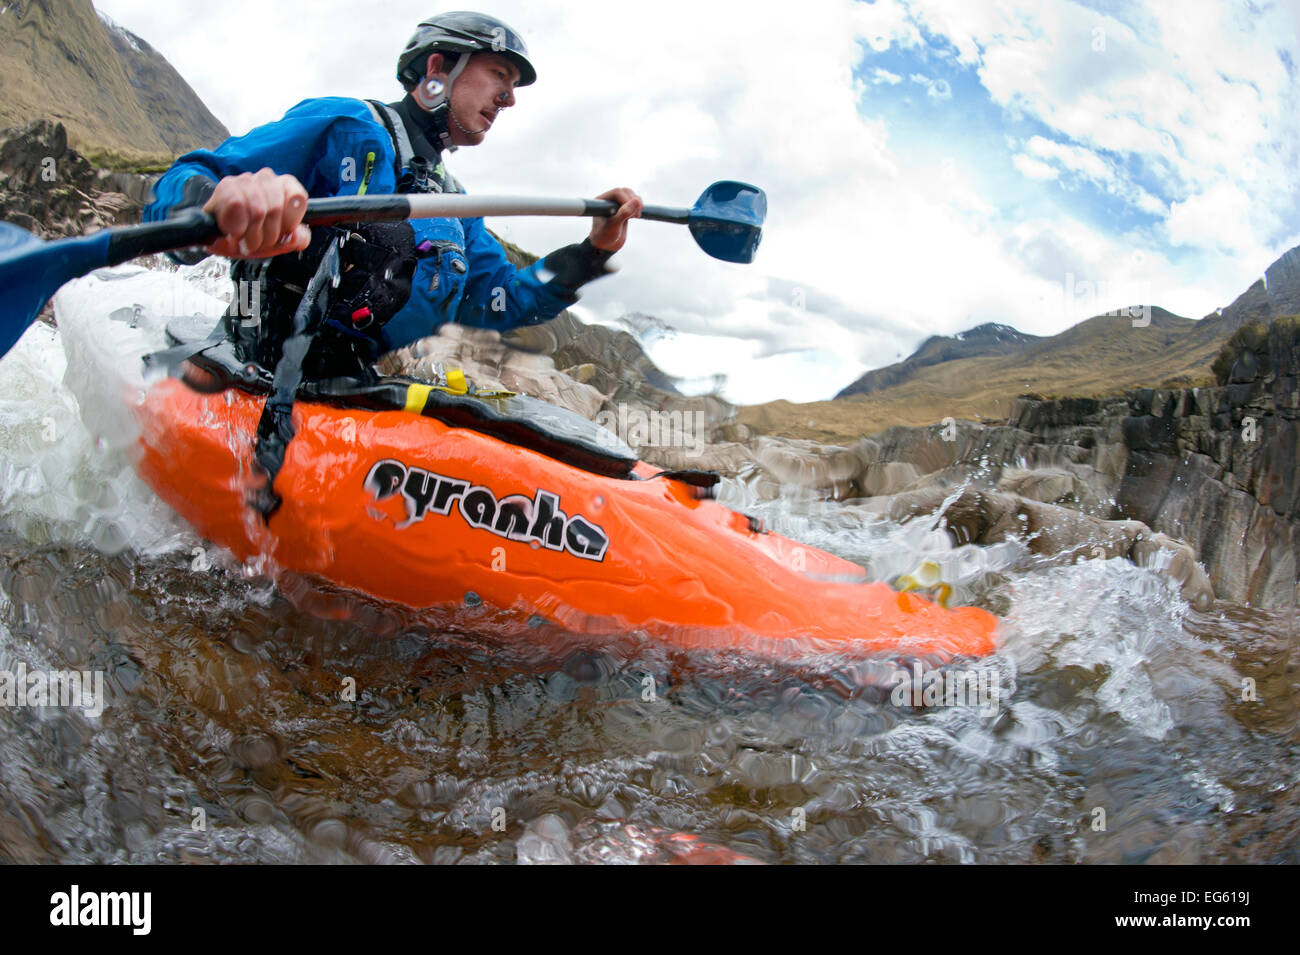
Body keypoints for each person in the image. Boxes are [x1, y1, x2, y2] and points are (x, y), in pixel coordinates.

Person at [143, 10, 642, 379]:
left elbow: (503, 301)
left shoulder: (456, 207)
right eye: (499, 76)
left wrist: (593, 251)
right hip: (248, 365)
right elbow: (193, 173)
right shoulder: (347, 125)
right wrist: (210, 208)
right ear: (439, 68)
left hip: (347, 384)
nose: (509, 99)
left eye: (512, 87)